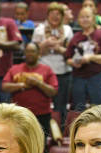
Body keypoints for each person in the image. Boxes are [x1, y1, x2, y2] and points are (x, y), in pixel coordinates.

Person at [2, 41, 58, 144]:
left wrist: (38, 83)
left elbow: (53, 91)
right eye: (27, 51)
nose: (29, 54)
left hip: (42, 115)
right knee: (19, 144)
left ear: (38, 53)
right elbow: (5, 86)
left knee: (40, 145)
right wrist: (22, 85)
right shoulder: (15, 69)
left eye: (32, 51)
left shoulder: (47, 70)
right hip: (19, 114)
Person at [32, 2, 73, 131]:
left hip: (63, 72)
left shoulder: (67, 30)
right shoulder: (39, 29)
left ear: (62, 16)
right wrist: (45, 44)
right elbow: (33, 52)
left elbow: (70, 52)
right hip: (44, 72)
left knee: (61, 105)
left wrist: (58, 48)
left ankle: (60, 132)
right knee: (43, 104)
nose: (55, 17)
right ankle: (42, 131)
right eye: (52, 14)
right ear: (47, 15)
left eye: (58, 14)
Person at [66, 7, 101, 112]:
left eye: (87, 16)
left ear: (93, 18)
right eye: (82, 17)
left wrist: (91, 57)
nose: (85, 19)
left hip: (96, 75)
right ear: (78, 20)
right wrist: (74, 62)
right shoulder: (76, 37)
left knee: (98, 108)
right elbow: (67, 58)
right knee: (78, 108)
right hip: (78, 77)